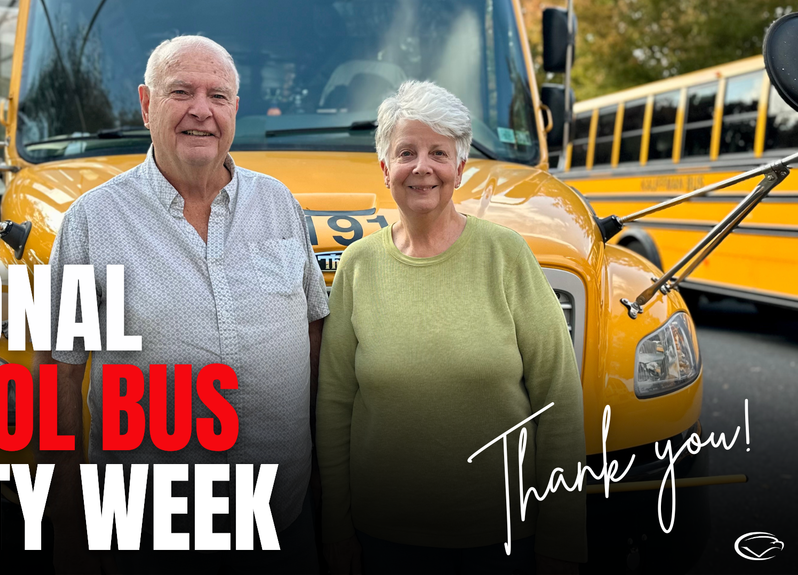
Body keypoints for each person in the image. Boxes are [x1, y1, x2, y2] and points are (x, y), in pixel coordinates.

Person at [36, 35, 329, 574]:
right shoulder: (90, 222)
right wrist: (68, 520)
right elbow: (56, 374)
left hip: (284, 521)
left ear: (235, 109)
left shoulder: (280, 204)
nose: (202, 111)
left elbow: (312, 333)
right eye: (181, 92)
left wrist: (321, 484)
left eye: (218, 96)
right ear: (147, 105)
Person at [316, 80, 587, 574]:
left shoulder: (507, 256)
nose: (422, 167)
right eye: (406, 152)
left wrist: (562, 539)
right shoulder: (358, 266)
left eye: (439, 152)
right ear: (385, 168)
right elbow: (334, 407)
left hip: (504, 539)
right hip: (383, 542)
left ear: (460, 168)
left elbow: (559, 398)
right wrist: (336, 529)